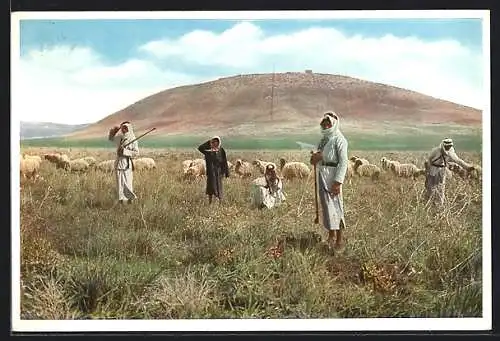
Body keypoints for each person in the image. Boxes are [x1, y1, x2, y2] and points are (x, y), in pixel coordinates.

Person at [310, 112, 349, 250]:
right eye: (324, 123)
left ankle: (339, 240)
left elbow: (343, 162)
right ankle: (331, 236)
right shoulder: (323, 140)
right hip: (323, 174)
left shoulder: (340, 139)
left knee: (336, 207)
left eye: (328, 123)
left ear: (334, 124)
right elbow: (320, 156)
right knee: (327, 207)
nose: (326, 125)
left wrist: (338, 182)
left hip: (333, 175)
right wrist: (315, 158)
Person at [424, 138, 474, 206]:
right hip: (432, 169)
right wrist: (428, 170)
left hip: (441, 170)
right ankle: (429, 202)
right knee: (430, 186)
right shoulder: (436, 151)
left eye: (449, 146)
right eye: (447, 146)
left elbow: (458, 160)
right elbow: (429, 159)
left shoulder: (451, 152)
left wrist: (467, 167)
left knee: (441, 188)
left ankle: (439, 204)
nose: (448, 147)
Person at [108, 121, 139, 204]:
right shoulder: (120, 137)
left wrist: (125, 151)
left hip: (127, 164)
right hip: (118, 163)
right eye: (123, 128)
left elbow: (136, 153)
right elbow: (111, 139)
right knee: (119, 183)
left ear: (129, 128)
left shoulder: (133, 140)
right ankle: (120, 200)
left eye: (125, 128)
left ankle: (130, 200)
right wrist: (113, 131)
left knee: (127, 182)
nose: (124, 129)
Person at [197, 136, 230, 204]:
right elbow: (200, 148)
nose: (215, 143)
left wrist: (226, 172)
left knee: (219, 186)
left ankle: (220, 202)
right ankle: (210, 203)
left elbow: (224, 161)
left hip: (218, 172)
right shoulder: (208, 151)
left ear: (219, 142)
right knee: (211, 187)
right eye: (214, 142)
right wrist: (209, 141)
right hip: (211, 172)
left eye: (217, 141)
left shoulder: (221, 150)